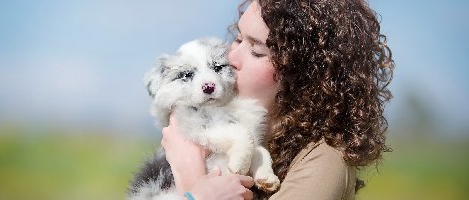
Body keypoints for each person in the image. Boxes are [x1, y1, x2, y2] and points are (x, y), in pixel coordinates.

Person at [161, 0, 394, 199]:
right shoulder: (247, 133)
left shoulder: (325, 160)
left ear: (303, 77)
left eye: (257, 51)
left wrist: (191, 177)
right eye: (238, 39)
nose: (230, 57)